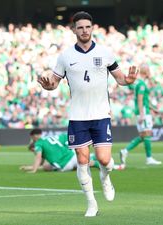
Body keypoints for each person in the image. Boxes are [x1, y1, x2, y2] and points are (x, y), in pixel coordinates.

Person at [37, 11, 137, 217]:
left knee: (104, 160)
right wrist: (48, 87)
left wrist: (129, 80)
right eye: (80, 27)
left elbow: (120, 79)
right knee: (82, 160)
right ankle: (91, 204)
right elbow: (54, 83)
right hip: (77, 116)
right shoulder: (65, 57)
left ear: (92, 29)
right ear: (74, 30)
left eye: (87, 27)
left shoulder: (105, 53)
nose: (84, 30)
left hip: (101, 114)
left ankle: (106, 177)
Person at [119, 63, 162, 168]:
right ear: (146, 71)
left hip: (144, 111)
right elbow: (140, 99)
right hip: (143, 113)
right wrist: (143, 114)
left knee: (144, 135)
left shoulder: (139, 83)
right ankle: (148, 158)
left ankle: (125, 151)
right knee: (147, 133)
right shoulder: (142, 84)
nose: (150, 72)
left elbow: (144, 100)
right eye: (149, 70)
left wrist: (153, 109)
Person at [20, 129, 99, 173]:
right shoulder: (49, 138)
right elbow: (41, 162)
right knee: (85, 161)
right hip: (71, 156)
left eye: (32, 138)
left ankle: (97, 162)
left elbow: (38, 157)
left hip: (63, 165)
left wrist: (34, 170)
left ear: (34, 136)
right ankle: (100, 160)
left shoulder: (38, 143)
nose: (32, 140)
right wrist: (30, 167)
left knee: (83, 164)